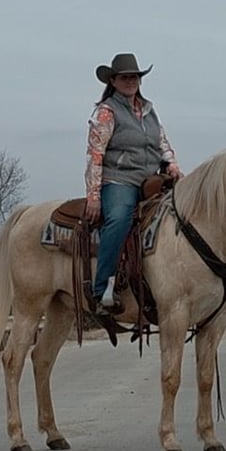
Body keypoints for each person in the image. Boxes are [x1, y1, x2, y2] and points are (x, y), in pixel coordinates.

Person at [84, 53, 183, 313]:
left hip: (151, 179)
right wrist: (94, 196)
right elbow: (95, 155)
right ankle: (101, 289)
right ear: (114, 81)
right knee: (119, 219)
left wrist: (171, 164)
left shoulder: (149, 110)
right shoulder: (106, 112)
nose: (131, 81)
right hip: (120, 179)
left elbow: (162, 142)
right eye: (125, 77)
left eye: (135, 77)